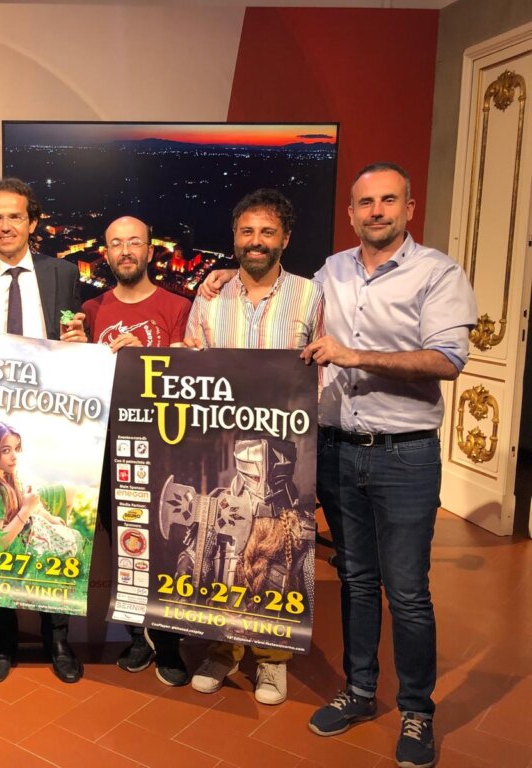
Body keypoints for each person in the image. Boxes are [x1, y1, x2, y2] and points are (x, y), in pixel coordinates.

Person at [299, 163, 476, 768]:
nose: (376, 211)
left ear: (409, 208)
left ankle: (418, 711)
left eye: (388, 200)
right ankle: (359, 690)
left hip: (405, 455)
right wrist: (225, 278)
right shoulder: (332, 270)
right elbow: (290, 305)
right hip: (338, 449)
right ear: (351, 213)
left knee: (406, 592)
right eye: (366, 202)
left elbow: (448, 359)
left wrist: (354, 356)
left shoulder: (438, 272)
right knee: (355, 579)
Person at [183, 188, 323, 706]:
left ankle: (271, 659)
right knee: (228, 547)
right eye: (247, 231)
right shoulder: (210, 295)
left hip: (286, 450)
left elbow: (325, 366)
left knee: (277, 552)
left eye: (267, 231)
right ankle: (222, 650)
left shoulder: (311, 295)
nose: (256, 241)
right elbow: (193, 359)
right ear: (234, 238)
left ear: (285, 238)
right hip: (227, 445)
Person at [0, 177, 86, 684]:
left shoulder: (64, 274)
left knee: (46, 529)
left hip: (53, 416)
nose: (5, 225)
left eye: (15, 216)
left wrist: (79, 340)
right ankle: (3, 643)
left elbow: (78, 342)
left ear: (32, 223)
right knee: (3, 522)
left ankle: (58, 641)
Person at [82, 215, 191, 686]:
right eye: (116, 244)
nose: (125, 251)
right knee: (125, 547)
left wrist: (148, 356)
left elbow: (189, 376)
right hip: (108, 448)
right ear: (106, 253)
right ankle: (137, 635)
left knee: (167, 546)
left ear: (149, 250)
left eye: (134, 243)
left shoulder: (178, 306)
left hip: (165, 449)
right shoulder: (90, 310)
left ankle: (169, 642)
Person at [0, 422, 80, 554]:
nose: (14, 456)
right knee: (70, 541)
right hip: (26, 535)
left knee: (69, 499)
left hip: (29, 525)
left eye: (16, 449)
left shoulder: (6, 475)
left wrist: (48, 517)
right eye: (6, 450)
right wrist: (26, 509)